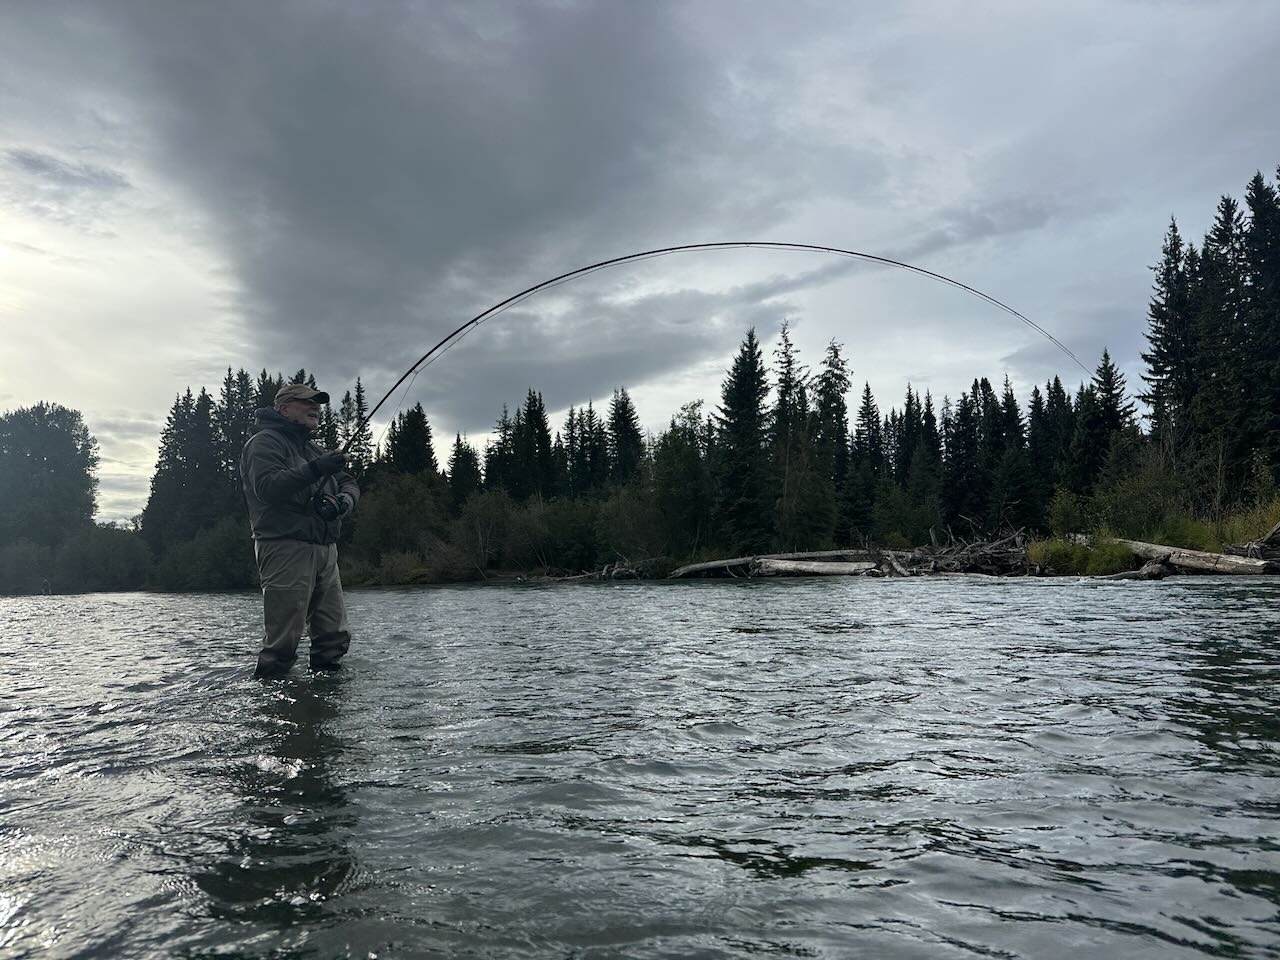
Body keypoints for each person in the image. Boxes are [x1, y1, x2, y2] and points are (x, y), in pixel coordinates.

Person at [240, 383, 360, 678]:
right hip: (284, 547)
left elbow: (348, 481)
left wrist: (344, 501)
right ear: (284, 408)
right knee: (283, 643)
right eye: (306, 402)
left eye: (317, 404)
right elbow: (268, 487)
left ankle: (326, 696)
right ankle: (272, 698)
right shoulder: (264, 443)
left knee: (333, 636)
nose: (315, 407)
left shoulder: (313, 449)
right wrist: (316, 468)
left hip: (325, 550)